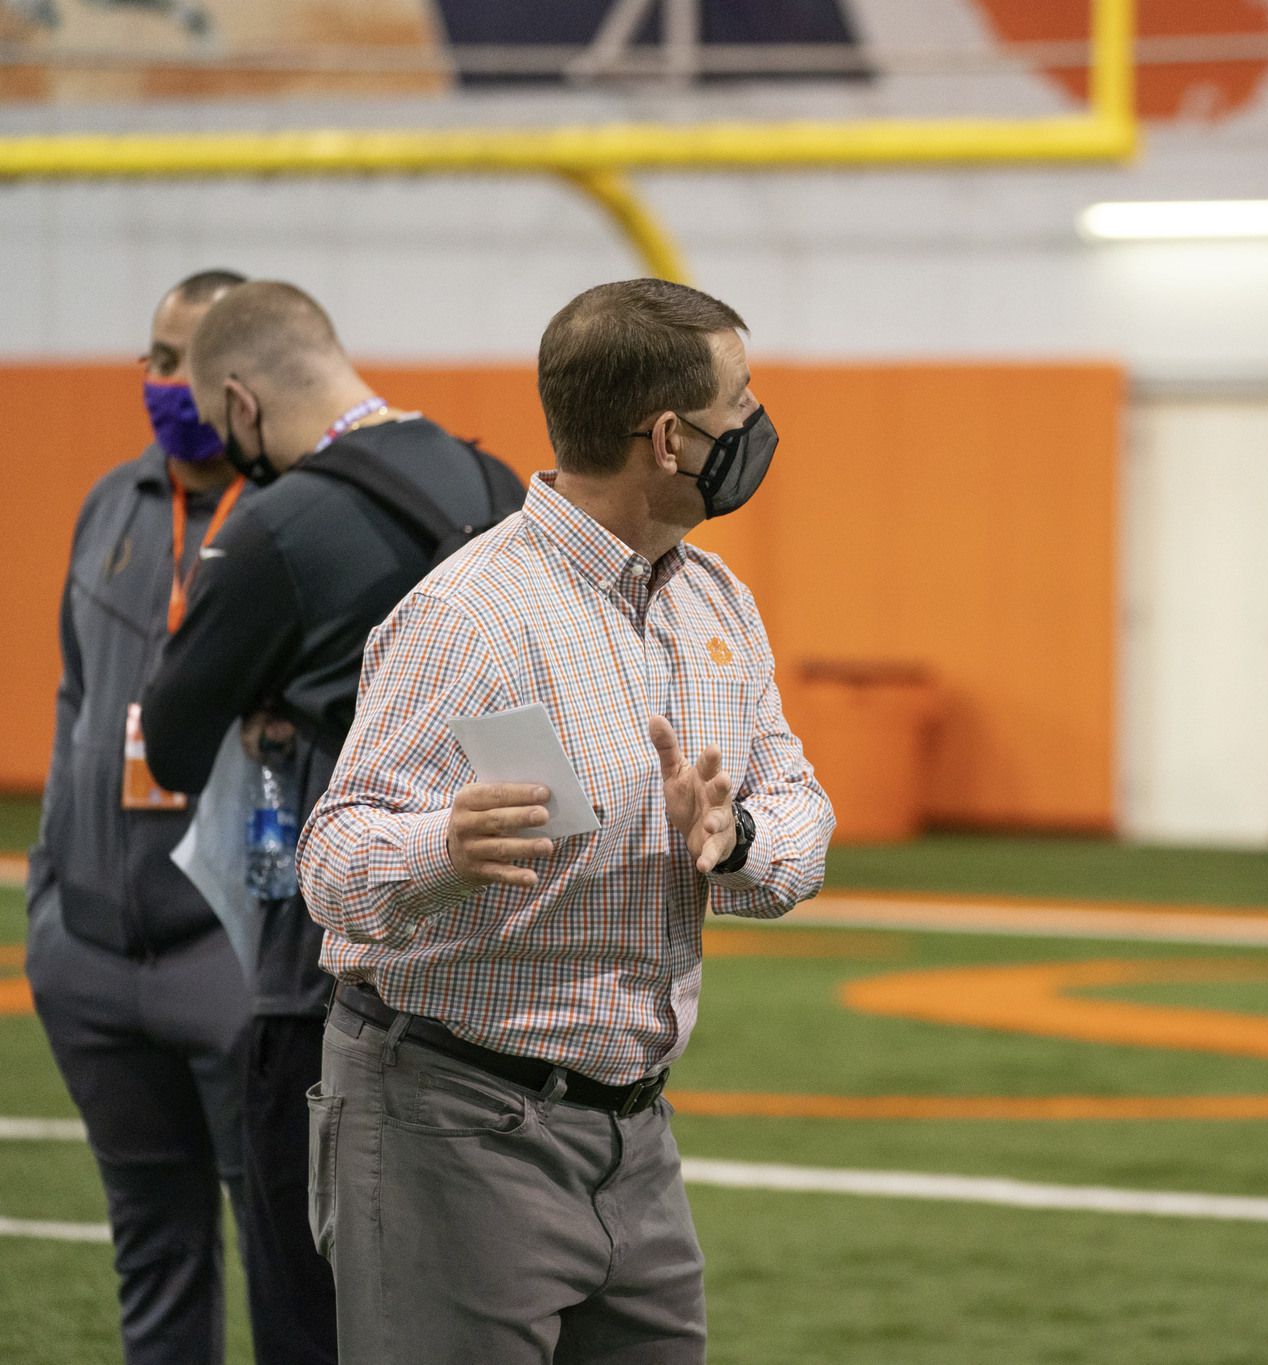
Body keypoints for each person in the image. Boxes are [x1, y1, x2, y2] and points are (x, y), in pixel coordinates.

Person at [297, 277, 834, 1364]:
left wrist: (731, 842)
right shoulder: (469, 616)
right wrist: (440, 848)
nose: (757, 422)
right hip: (447, 1120)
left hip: (631, 1133)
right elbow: (330, 859)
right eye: (743, 400)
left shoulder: (715, 600)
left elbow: (803, 818)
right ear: (671, 438)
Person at [140, 280, 524, 1365]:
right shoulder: (490, 477)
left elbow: (171, 742)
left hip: (329, 971)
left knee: (312, 1314)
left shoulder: (275, 522)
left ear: (238, 400)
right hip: (490, 971)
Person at [24, 269, 259, 1365]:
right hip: (92, 951)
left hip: (234, 954)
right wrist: (52, 902)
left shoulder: (293, 518)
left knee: (288, 1254)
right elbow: (77, 700)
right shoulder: (110, 501)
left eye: (186, 362)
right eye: (154, 357)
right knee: (150, 1250)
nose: (161, 381)